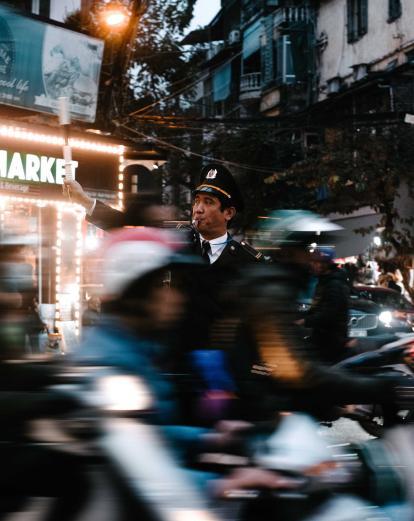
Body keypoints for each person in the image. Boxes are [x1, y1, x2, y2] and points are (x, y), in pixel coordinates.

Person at [297, 246, 350, 364]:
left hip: (330, 341)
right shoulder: (324, 281)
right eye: (312, 261)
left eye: (316, 262)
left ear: (325, 264)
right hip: (322, 337)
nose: (313, 265)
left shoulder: (334, 284)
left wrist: (305, 321)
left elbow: (329, 313)